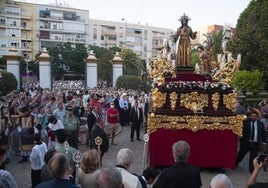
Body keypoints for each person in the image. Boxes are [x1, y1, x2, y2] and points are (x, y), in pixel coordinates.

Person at [236, 108, 267, 173]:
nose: (253, 117)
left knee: (253, 157)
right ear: (250, 116)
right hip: (246, 143)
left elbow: (263, 133)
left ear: (257, 117)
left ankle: (252, 169)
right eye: (252, 116)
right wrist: (240, 139)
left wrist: (264, 142)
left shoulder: (260, 124)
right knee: (241, 154)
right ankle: (235, 163)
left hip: (255, 143)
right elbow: (240, 131)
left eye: (255, 116)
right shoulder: (245, 122)